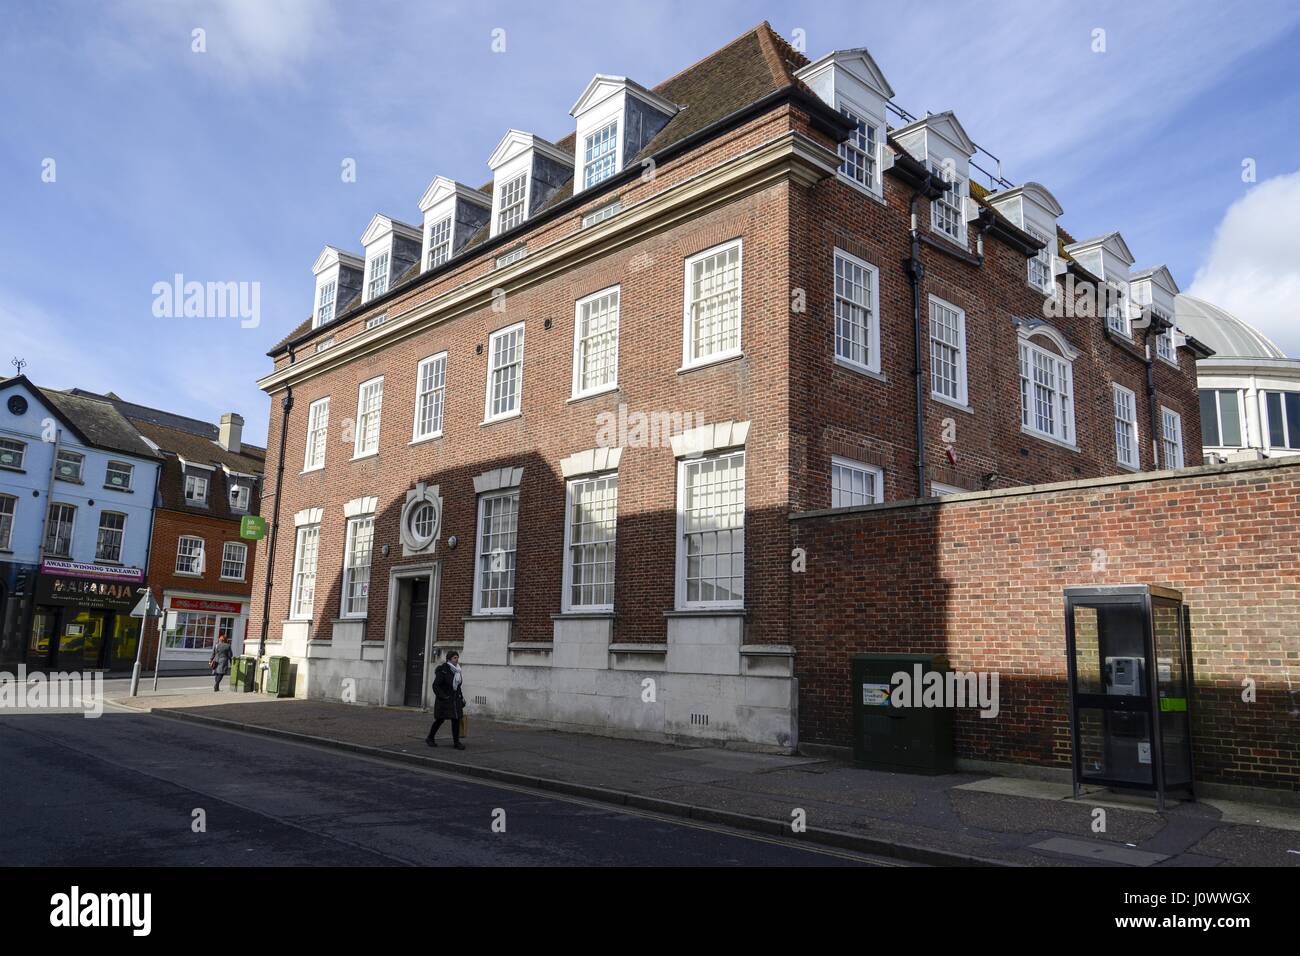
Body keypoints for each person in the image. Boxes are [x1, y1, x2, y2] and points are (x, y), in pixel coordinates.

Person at [426, 650, 466, 749]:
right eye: (454, 658)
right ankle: (430, 737)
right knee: (440, 720)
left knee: (456, 719)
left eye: (457, 658)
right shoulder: (443, 670)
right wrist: (444, 697)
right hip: (444, 701)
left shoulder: (457, 670)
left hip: (455, 700)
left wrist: (462, 698)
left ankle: (456, 742)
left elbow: (458, 686)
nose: (457, 660)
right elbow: (435, 685)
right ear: (449, 659)